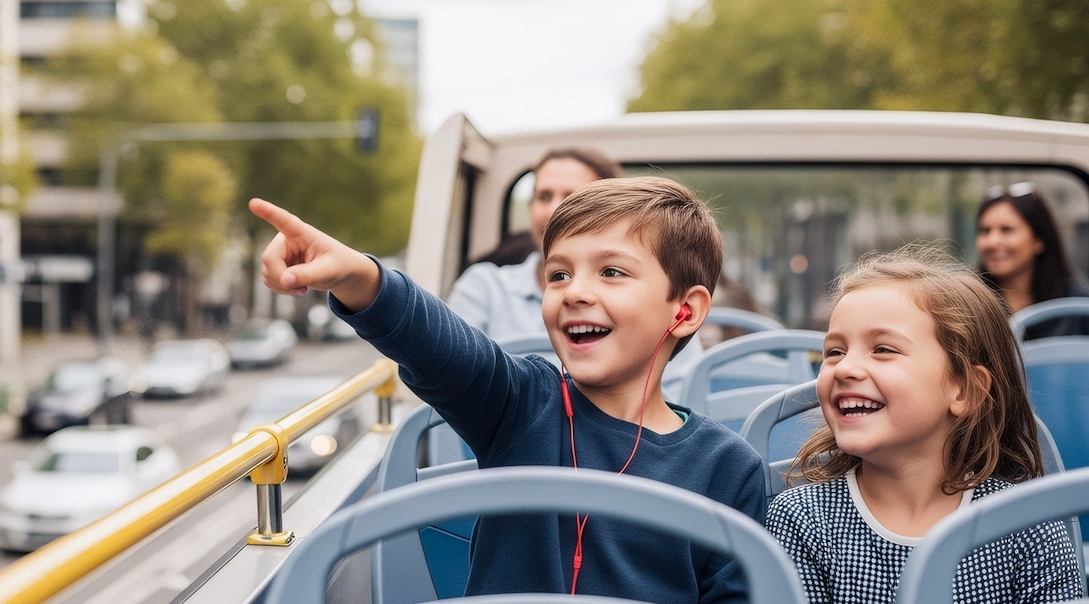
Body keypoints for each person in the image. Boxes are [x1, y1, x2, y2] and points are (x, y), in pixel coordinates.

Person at [249, 176, 764, 603]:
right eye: (558, 274)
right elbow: (438, 343)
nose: (576, 292)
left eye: (611, 272)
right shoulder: (522, 405)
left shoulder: (728, 467)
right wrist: (360, 276)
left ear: (685, 311)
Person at [765, 245, 1084, 603]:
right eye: (834, 352)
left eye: (883, 349)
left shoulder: (1027, 524)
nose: (846, 368)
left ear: (964, 389)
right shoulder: (802, 518)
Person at [446, 148, 706, 371]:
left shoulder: (659, 303)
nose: (553, 210)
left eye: (573, 198)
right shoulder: (484, 286)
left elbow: (677, 394)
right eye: (543, 196)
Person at [976, 182, 1089, 338]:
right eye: (985, 231)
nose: (992, 242)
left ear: (1039, 239)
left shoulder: (1076, 302)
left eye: (1007, 230)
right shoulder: (969, 302)